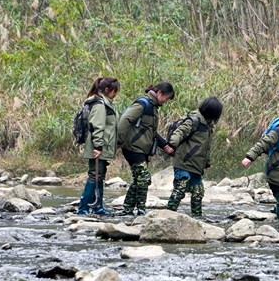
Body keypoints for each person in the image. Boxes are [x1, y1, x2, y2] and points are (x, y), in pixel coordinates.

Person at [117, 82, 176, 216]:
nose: (166, 101)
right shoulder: (143, 104)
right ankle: (141, 211)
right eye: (166, 98)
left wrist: (164, 145)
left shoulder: (153, 107)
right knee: (144, 177)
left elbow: (151, 131)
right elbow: (125, 119)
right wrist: (119, 140)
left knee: (139, 178)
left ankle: (128, 209)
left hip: (141, 148)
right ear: (159, 93)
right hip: (133, 147)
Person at [165, 97, 223, 218]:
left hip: (196, 166)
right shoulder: (194, 120)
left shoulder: (208, 126)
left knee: (198, 191)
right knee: (180, 188)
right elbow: (179, 132)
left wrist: (207, 163)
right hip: (184, 161)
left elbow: (206, 147)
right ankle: (168, 214)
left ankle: (197, 218)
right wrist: (172, 144)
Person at [77, 76, 120, 216]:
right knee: (94, 175)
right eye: (114, 91)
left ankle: (97, 207)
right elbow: (97, 127)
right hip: (98, 146)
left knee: (99, 176)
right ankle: (83, 209)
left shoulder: (106, 103)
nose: (116, 94)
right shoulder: (100, 105)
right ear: (106, 90)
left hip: (102, 145)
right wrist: (98, 147)